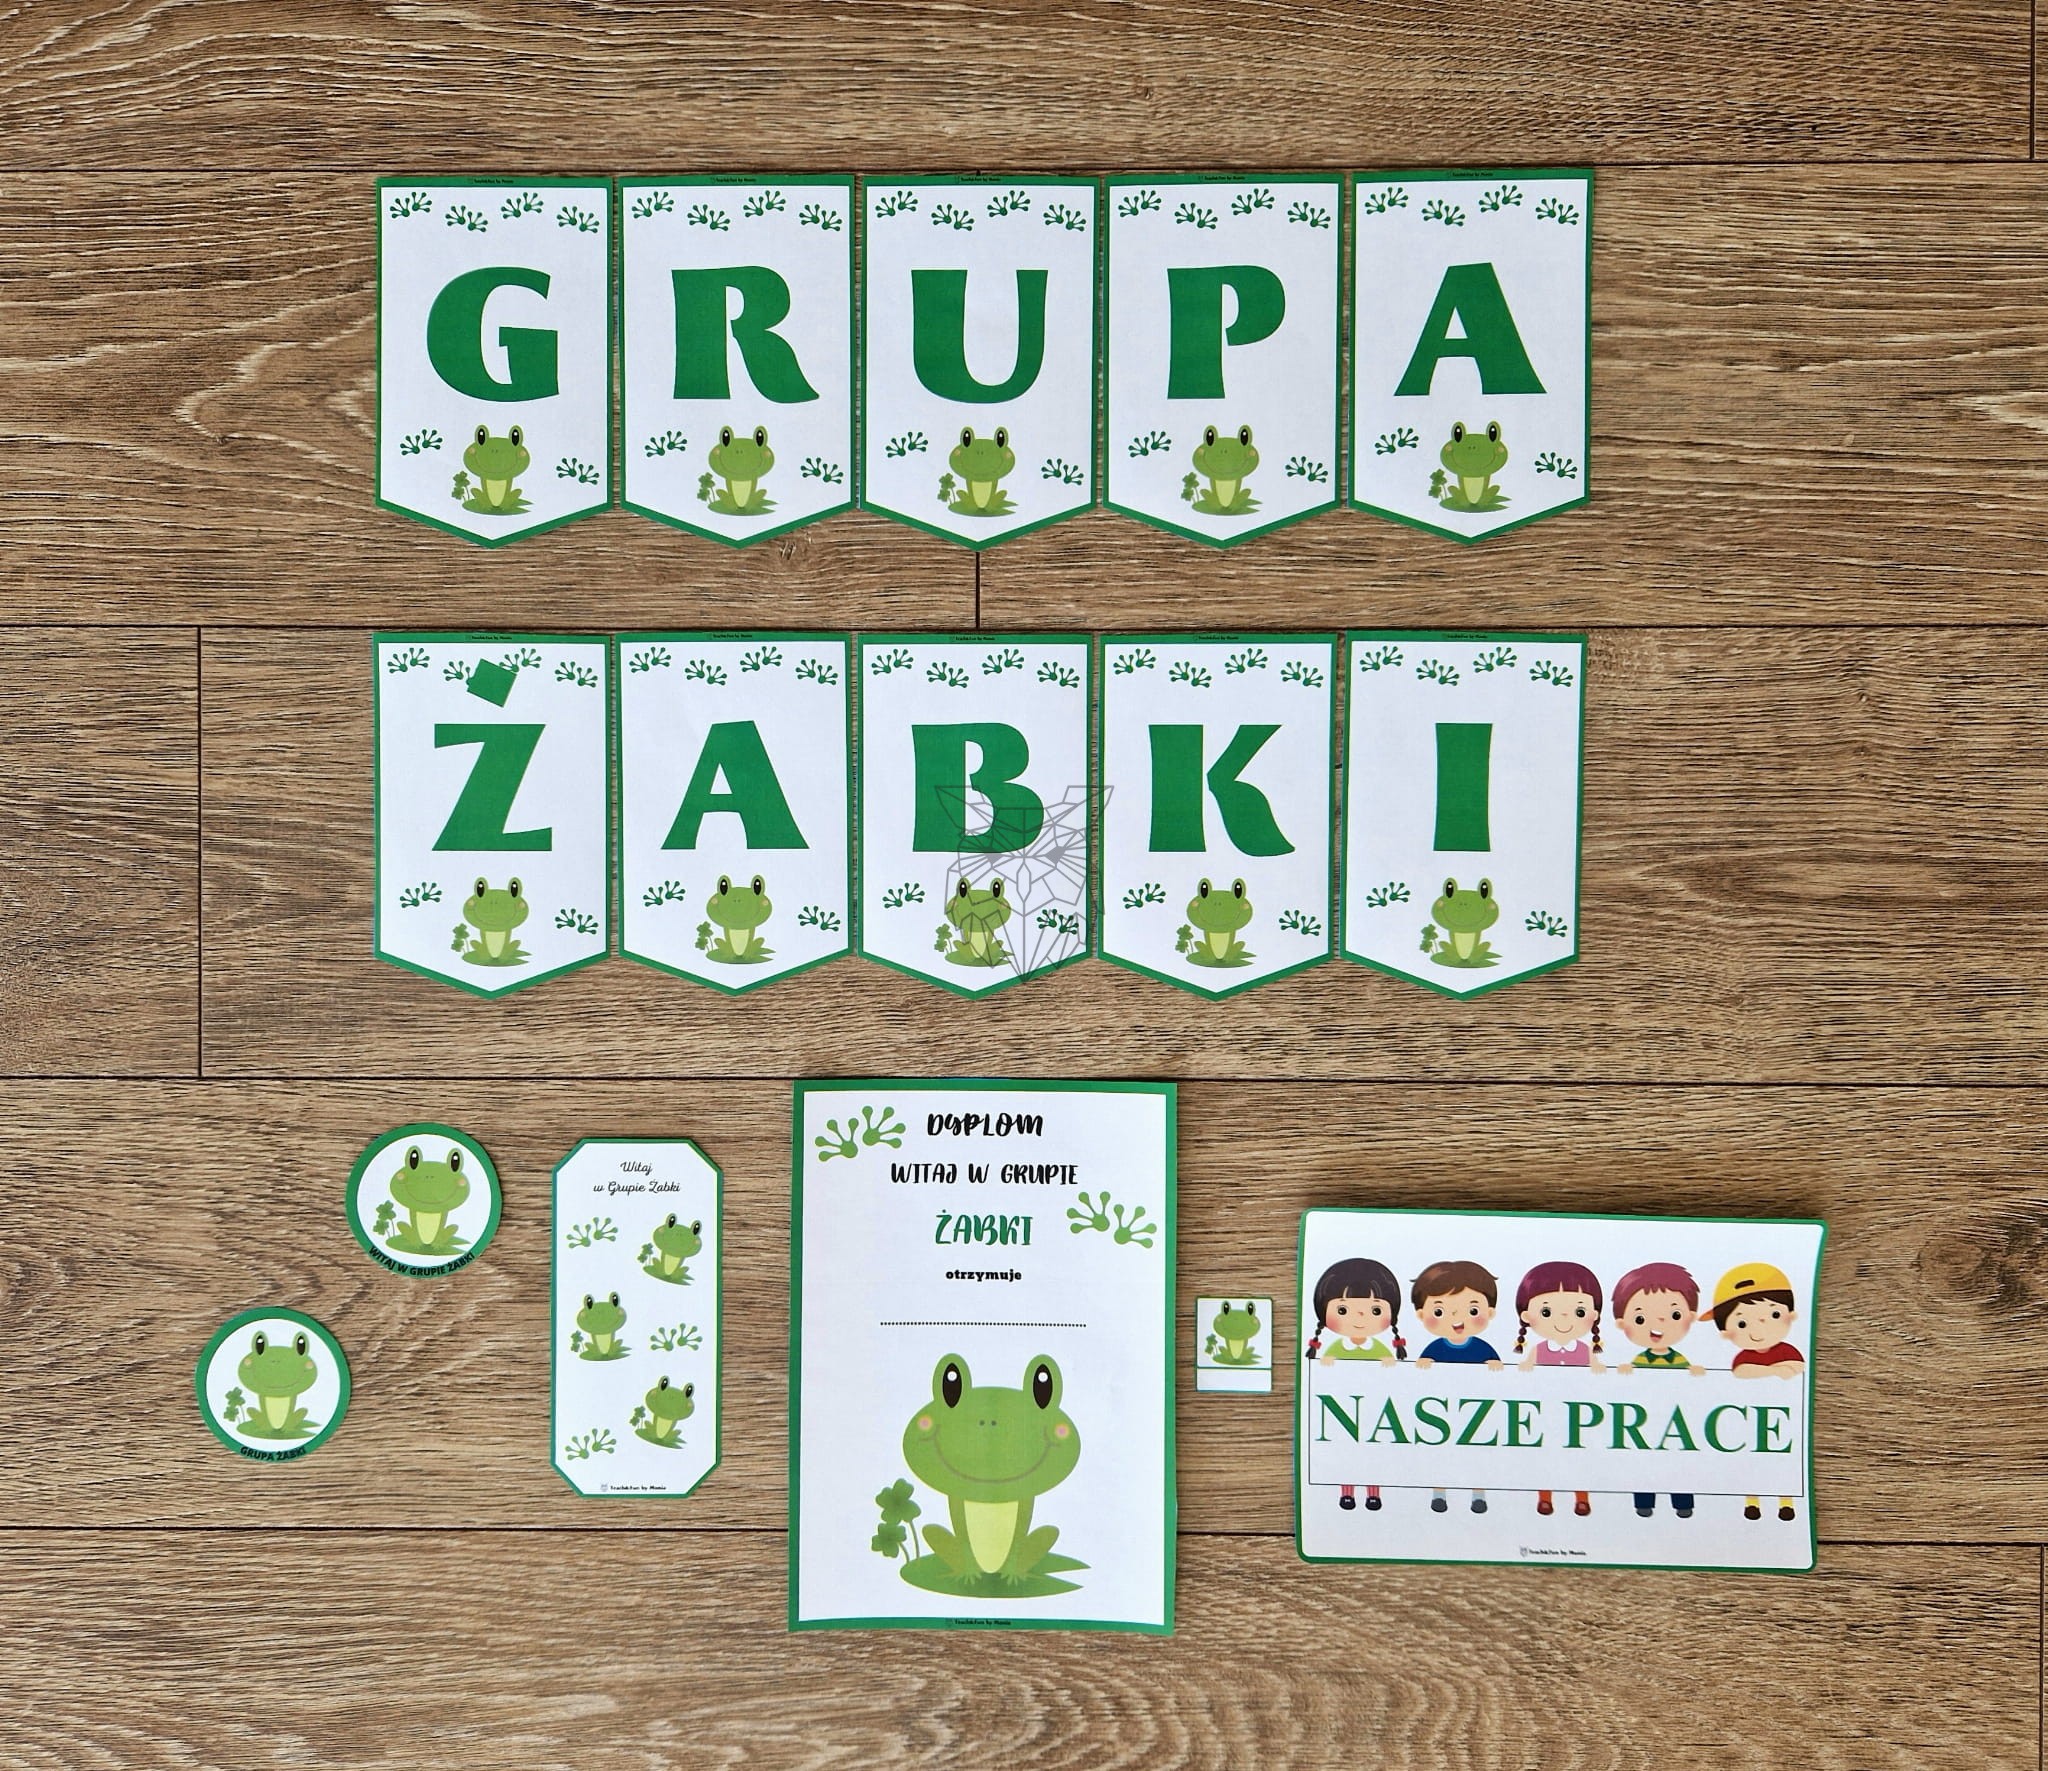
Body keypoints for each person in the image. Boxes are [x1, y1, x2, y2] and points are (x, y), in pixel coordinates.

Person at [1705, 1261, 1806, 1521]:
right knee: (1751, 1467)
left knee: (1781, 1466)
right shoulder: (1744, 1357)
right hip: (1745, 1421)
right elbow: (1741, 1371)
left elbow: (1797, 1367)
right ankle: (1752, 1503)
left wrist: (1780, 1370)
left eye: (1773, 1316)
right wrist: (1774, 1371)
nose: (1757, 1330)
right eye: (1742, 1323)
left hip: (1783, 1423)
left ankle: (1786, 1504)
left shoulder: (1788, 1350)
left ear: (1791, 1316)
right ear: (1726, 1333)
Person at [1305, 1257, 1407, 1512]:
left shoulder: (1380, 1348)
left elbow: (1390, 1373)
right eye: (1343, 1311)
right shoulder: (1338, 1348)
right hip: (1343, 1412)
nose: (1360, 1318)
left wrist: (1387, 1363)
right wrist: (1328, 1362)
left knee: (1373, 1459)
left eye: (1375, 1311)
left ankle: (1374, 1496)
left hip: (1377, 1412)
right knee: (1345, 1457)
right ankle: (1346, 1494)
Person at [1612, 1260, 1707, 1518]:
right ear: (1622, 1323)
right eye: (1640, 1318)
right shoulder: (1639, 1360)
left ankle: (1683, 1504)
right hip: (1641, 1422)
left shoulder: (1680, 1360)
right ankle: (1644, 1504)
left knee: (1680, 1465)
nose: (1659, 1323)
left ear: (1690, 1317)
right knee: (1643, 1466)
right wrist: (1627, 1372)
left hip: (1677, 1423)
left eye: (1675, 1315)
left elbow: (1689, 1386)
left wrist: (1694, 1373)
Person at [1513, 1259, 1605, 1517]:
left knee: (1580, 1460)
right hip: (1546, 1416)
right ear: (1527, 1316)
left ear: (1594, 1315)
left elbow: (1597, 1372)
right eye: (1546, 1312)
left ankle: (1582, 1499)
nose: (1564, 1317)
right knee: (1546, 1459)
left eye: (1579, 1311)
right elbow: (1526, 1371)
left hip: (1581, 1418)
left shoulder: (1584, 1351)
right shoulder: (1539, 1350)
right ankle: (1545, 1499)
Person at [1411, 1259, 1502, 1513]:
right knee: (1441, 1456)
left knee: (1477, 1456)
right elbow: (1422, 1371)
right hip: (1440, 1413)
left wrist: (1493, 1365)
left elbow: (1496, 1368)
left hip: (1478, 1413)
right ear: (1422, 1315)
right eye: (1439, 1312)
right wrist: (1425, 1364)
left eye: (1472, 1310)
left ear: (1490, 1312)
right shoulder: (1435, 1348)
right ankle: (1439, 1494)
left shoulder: (1482, 1348)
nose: (1457, 1319)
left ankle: (1478, 1496)